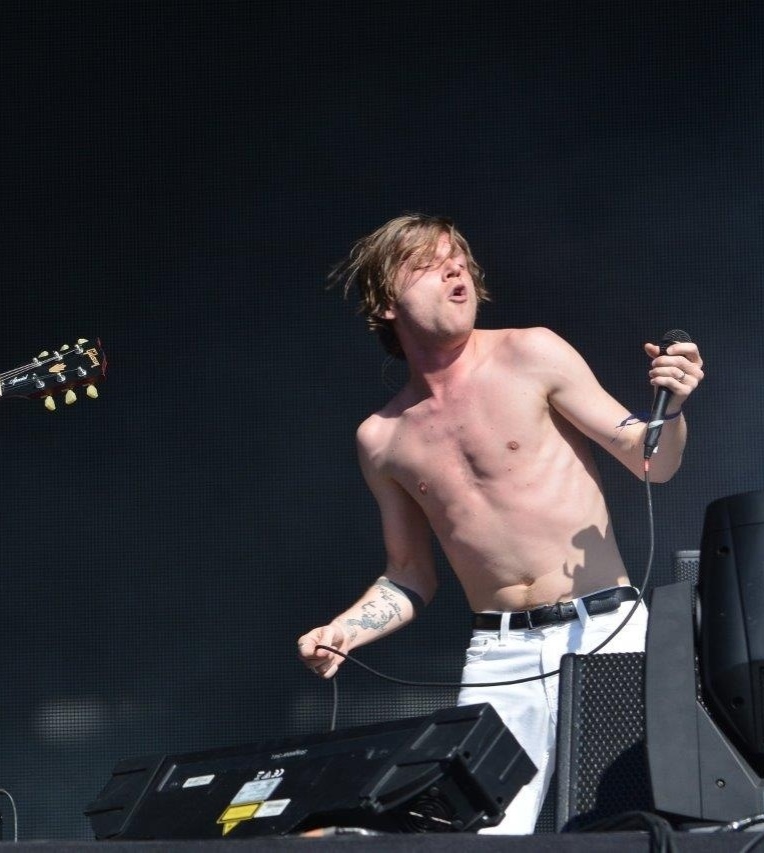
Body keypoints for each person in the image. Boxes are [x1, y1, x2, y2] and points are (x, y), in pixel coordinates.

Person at [296, 213, 704, 834]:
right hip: (500, 655)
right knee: (478, 835)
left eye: (458, 260)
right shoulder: (380, 438)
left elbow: (652, 460)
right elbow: (409, 575)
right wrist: (344, 630)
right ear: (385, 302)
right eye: (429, 264)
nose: (453, 270)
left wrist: (671, 410)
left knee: (630, 825)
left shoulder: (531, 352)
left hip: (605, 630)